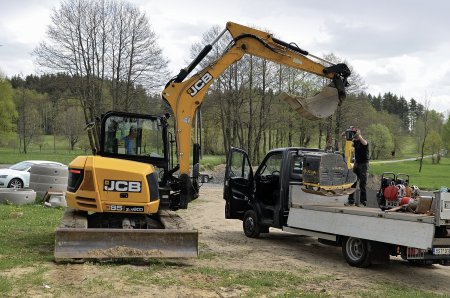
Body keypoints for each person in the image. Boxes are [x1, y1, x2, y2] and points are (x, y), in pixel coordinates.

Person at [345, 128, 369, 207]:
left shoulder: (364, 142)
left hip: (364, 164)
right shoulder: (355, 142)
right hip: (357, 163)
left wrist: (359, 135)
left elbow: (365, 143)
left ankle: (363, 202)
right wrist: (346, 134)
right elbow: (349, 142)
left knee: (362, 184)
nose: (354, 137)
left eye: (355, 135)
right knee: (353, 182)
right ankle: (351, 201)